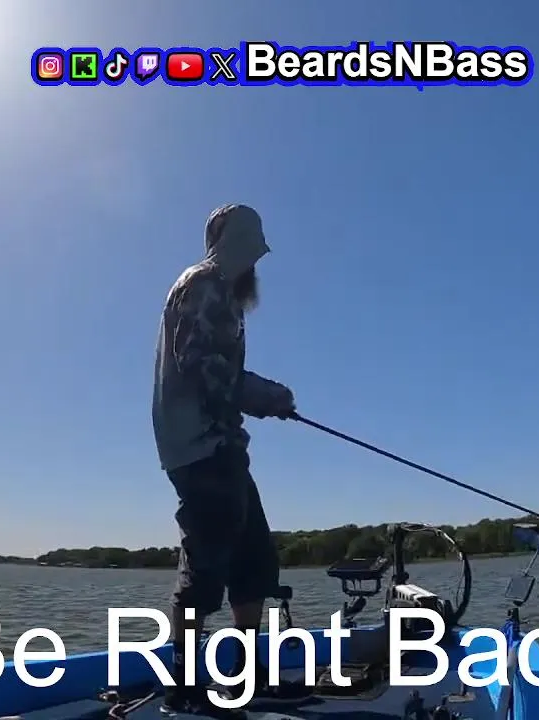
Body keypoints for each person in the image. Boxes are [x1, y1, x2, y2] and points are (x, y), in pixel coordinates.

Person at [151, 204, 303, 717]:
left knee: (254, 560)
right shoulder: (205, 283)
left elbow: (219, 372)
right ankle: (184, 688)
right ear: (235, 244)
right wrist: (267, 396)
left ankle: (242, 675)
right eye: (253, 251)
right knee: (206, 566)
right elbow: (204, 369)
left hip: (223, 447)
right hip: (200, 448)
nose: (256, 263)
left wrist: (262, 398)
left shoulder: (222, 292)